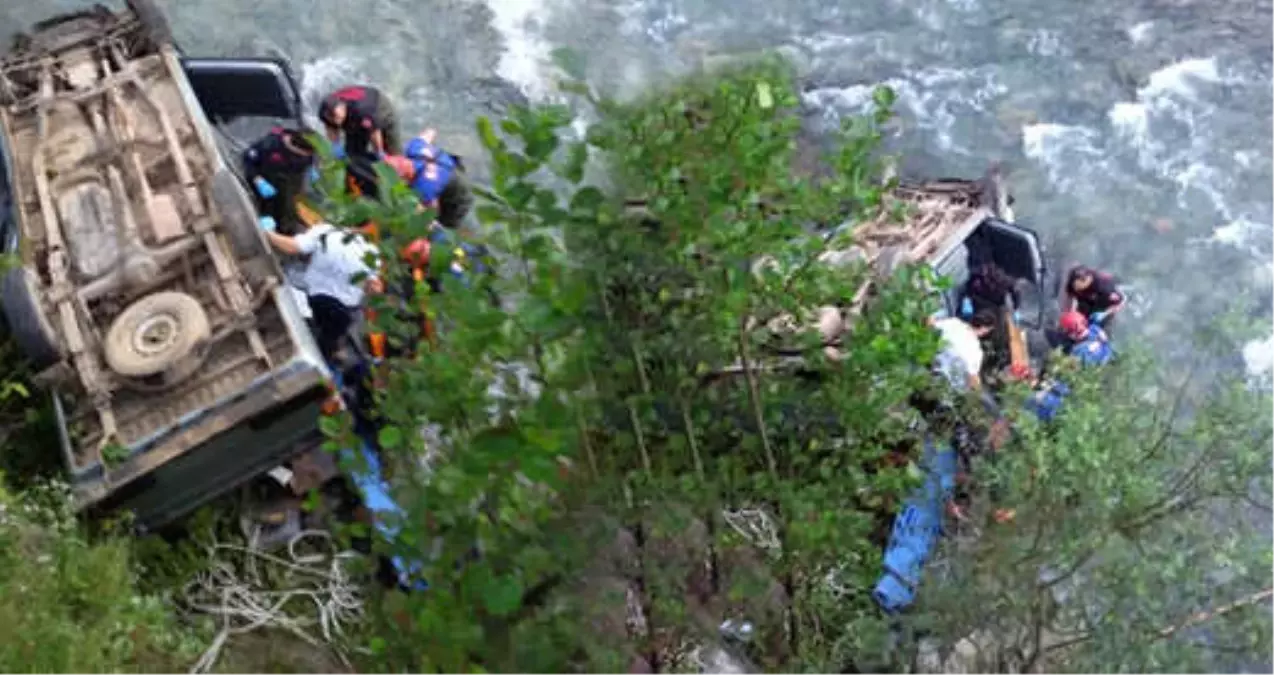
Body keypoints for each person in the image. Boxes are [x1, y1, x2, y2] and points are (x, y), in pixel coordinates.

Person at [258, 217, 381, 361]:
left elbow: (293, 247)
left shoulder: (327, 231)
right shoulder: (373, 254)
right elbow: (374, 289)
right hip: (342, 313)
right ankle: (330, 353)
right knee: (333, 336)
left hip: (316, 300)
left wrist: (267, 233)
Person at [242, 126, 316, 235]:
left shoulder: (306, 149)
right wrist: (258, 180)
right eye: (306, 154)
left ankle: (288, 228)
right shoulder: (270, 145)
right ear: (296, 148)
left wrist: (311, 169)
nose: (307, 156)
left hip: (292, 178)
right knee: (271, 207)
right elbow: (248, 160)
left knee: (290, 206)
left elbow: (310, 158)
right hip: (269, 179)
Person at [402, 131, 474, 230]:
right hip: (452, 170)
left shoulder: (424, 186)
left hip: (459, 196)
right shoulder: (415, 149)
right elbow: (430, 132)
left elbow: (427, 212)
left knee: (445, 229)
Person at [318, 85, 400, 158]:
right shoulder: (326, 112)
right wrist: (336, 145)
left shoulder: (362, 110)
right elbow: (330, 126)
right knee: (353, 155)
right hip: (352, 116)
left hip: (379, 106)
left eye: (335, 115)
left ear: (342, 106)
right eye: (330, 117)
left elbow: (374, 132)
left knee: (393, 153)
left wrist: (379, 152)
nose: (334, 120)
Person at [929, 308, 998, 392]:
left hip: (932, 370)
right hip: (949, 390)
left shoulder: (954, 323)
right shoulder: (976, 352)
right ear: (984, 329)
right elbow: (973, 379)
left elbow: (930, 323)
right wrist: (979, 392)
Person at [1061, 264, 1125, 330]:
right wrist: (1072, 313)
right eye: (1074, 285)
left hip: (1103, 307)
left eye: (1077, 286)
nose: (1076, 287)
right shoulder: (1072, 285)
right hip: (1086, 302)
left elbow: (1120, 302)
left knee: (1094, 326)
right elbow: (1073, 297)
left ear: (1087, 279)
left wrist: (1104, 314)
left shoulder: (1105, 288)